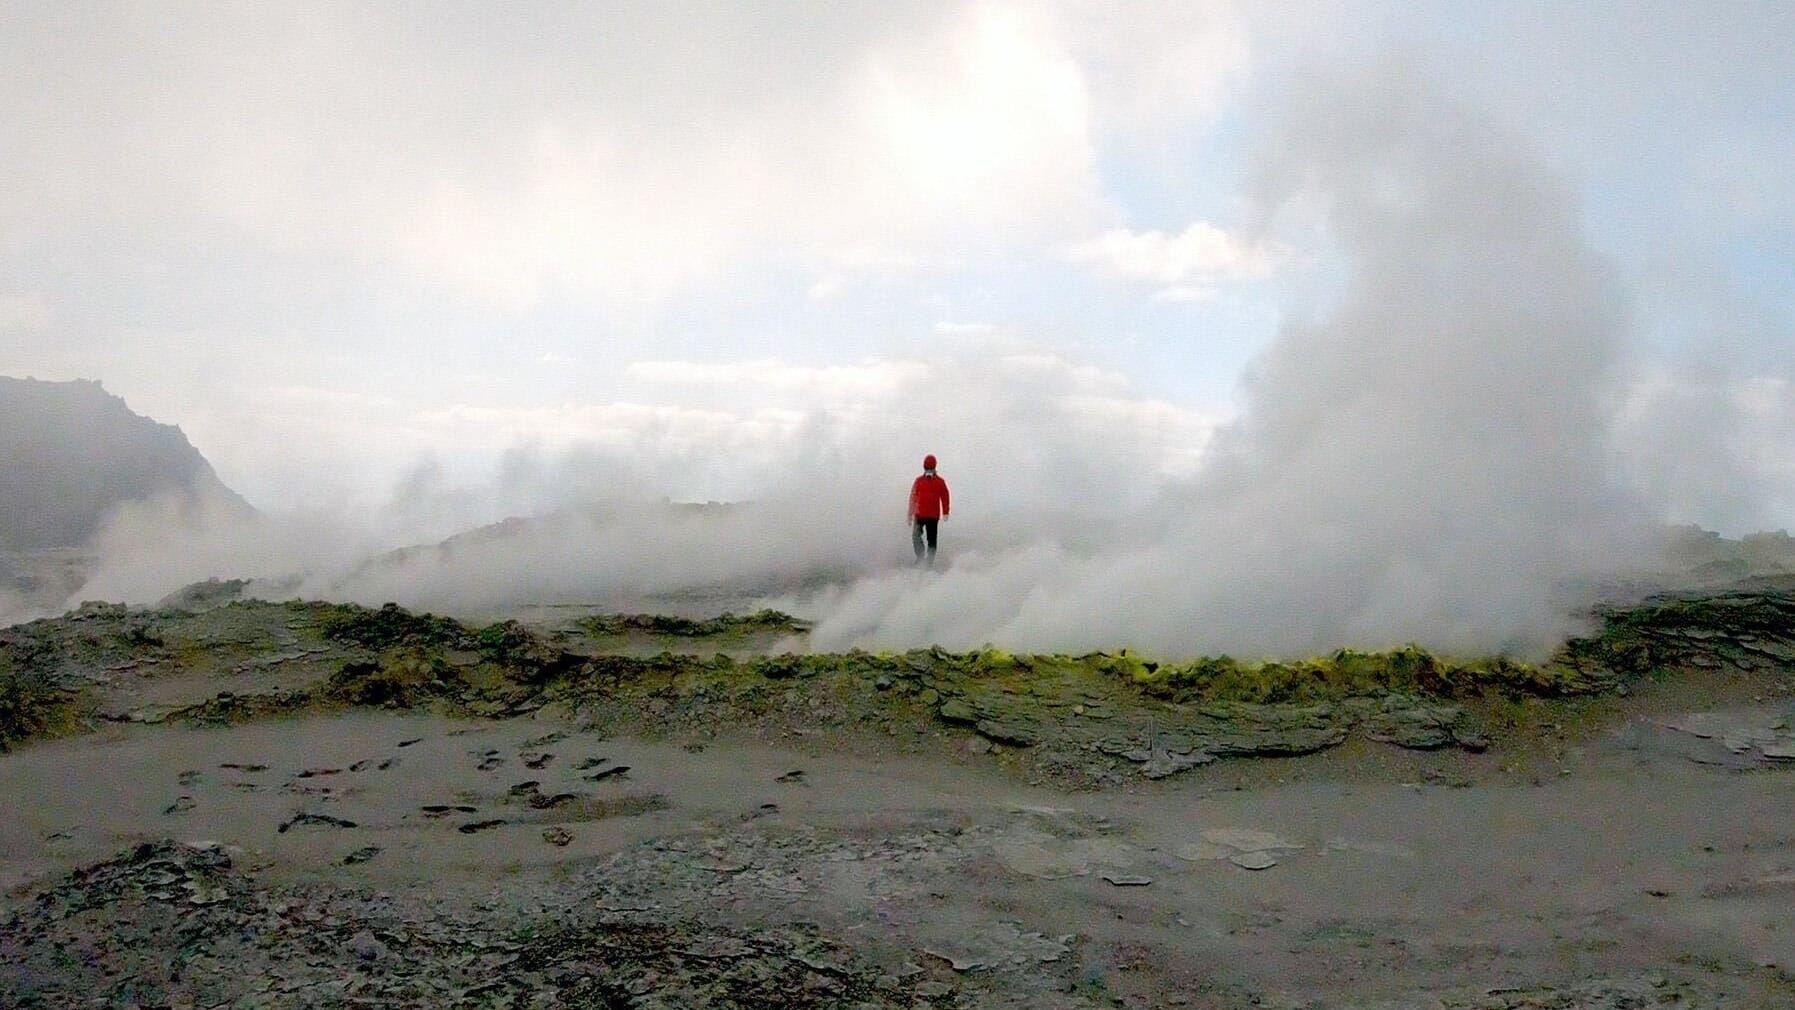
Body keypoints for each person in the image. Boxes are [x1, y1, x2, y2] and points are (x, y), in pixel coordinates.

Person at [907, 454, 950, 565]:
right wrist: (910, 513)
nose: (929, 470)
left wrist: (946, 511)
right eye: (928, 468)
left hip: (930, 516)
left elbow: (945, 497)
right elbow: (913, 497)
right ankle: (921, 558)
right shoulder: (920, 481)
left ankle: (929, 561)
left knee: (929, 538)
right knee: (919, 536)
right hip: (922, 515)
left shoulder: (938, 482)